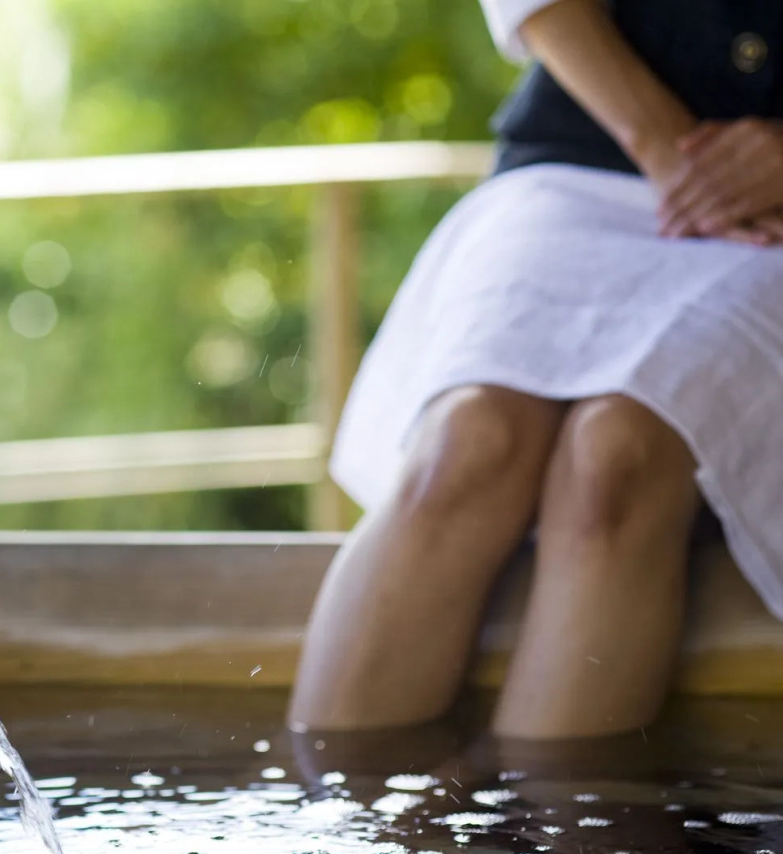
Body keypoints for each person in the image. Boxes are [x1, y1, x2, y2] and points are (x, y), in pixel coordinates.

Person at [287, 0, 783, 739]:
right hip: (586, 156)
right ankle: (342, 842)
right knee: (467, 442)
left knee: (615, 453)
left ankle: (562, 853)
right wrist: (667, 150)